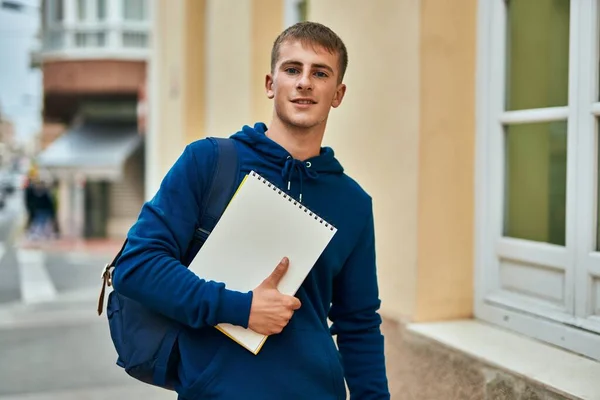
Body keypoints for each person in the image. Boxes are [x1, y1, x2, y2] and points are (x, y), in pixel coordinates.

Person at [113, 21, 390, 399]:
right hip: (217, 391)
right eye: (292, 69)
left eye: (320, 73)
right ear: (270, 84)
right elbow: (137, 266)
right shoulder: (210, 161)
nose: (304, 82)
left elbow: (359, 325)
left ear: (338, 93)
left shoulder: (353, 203)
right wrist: (241, 308)